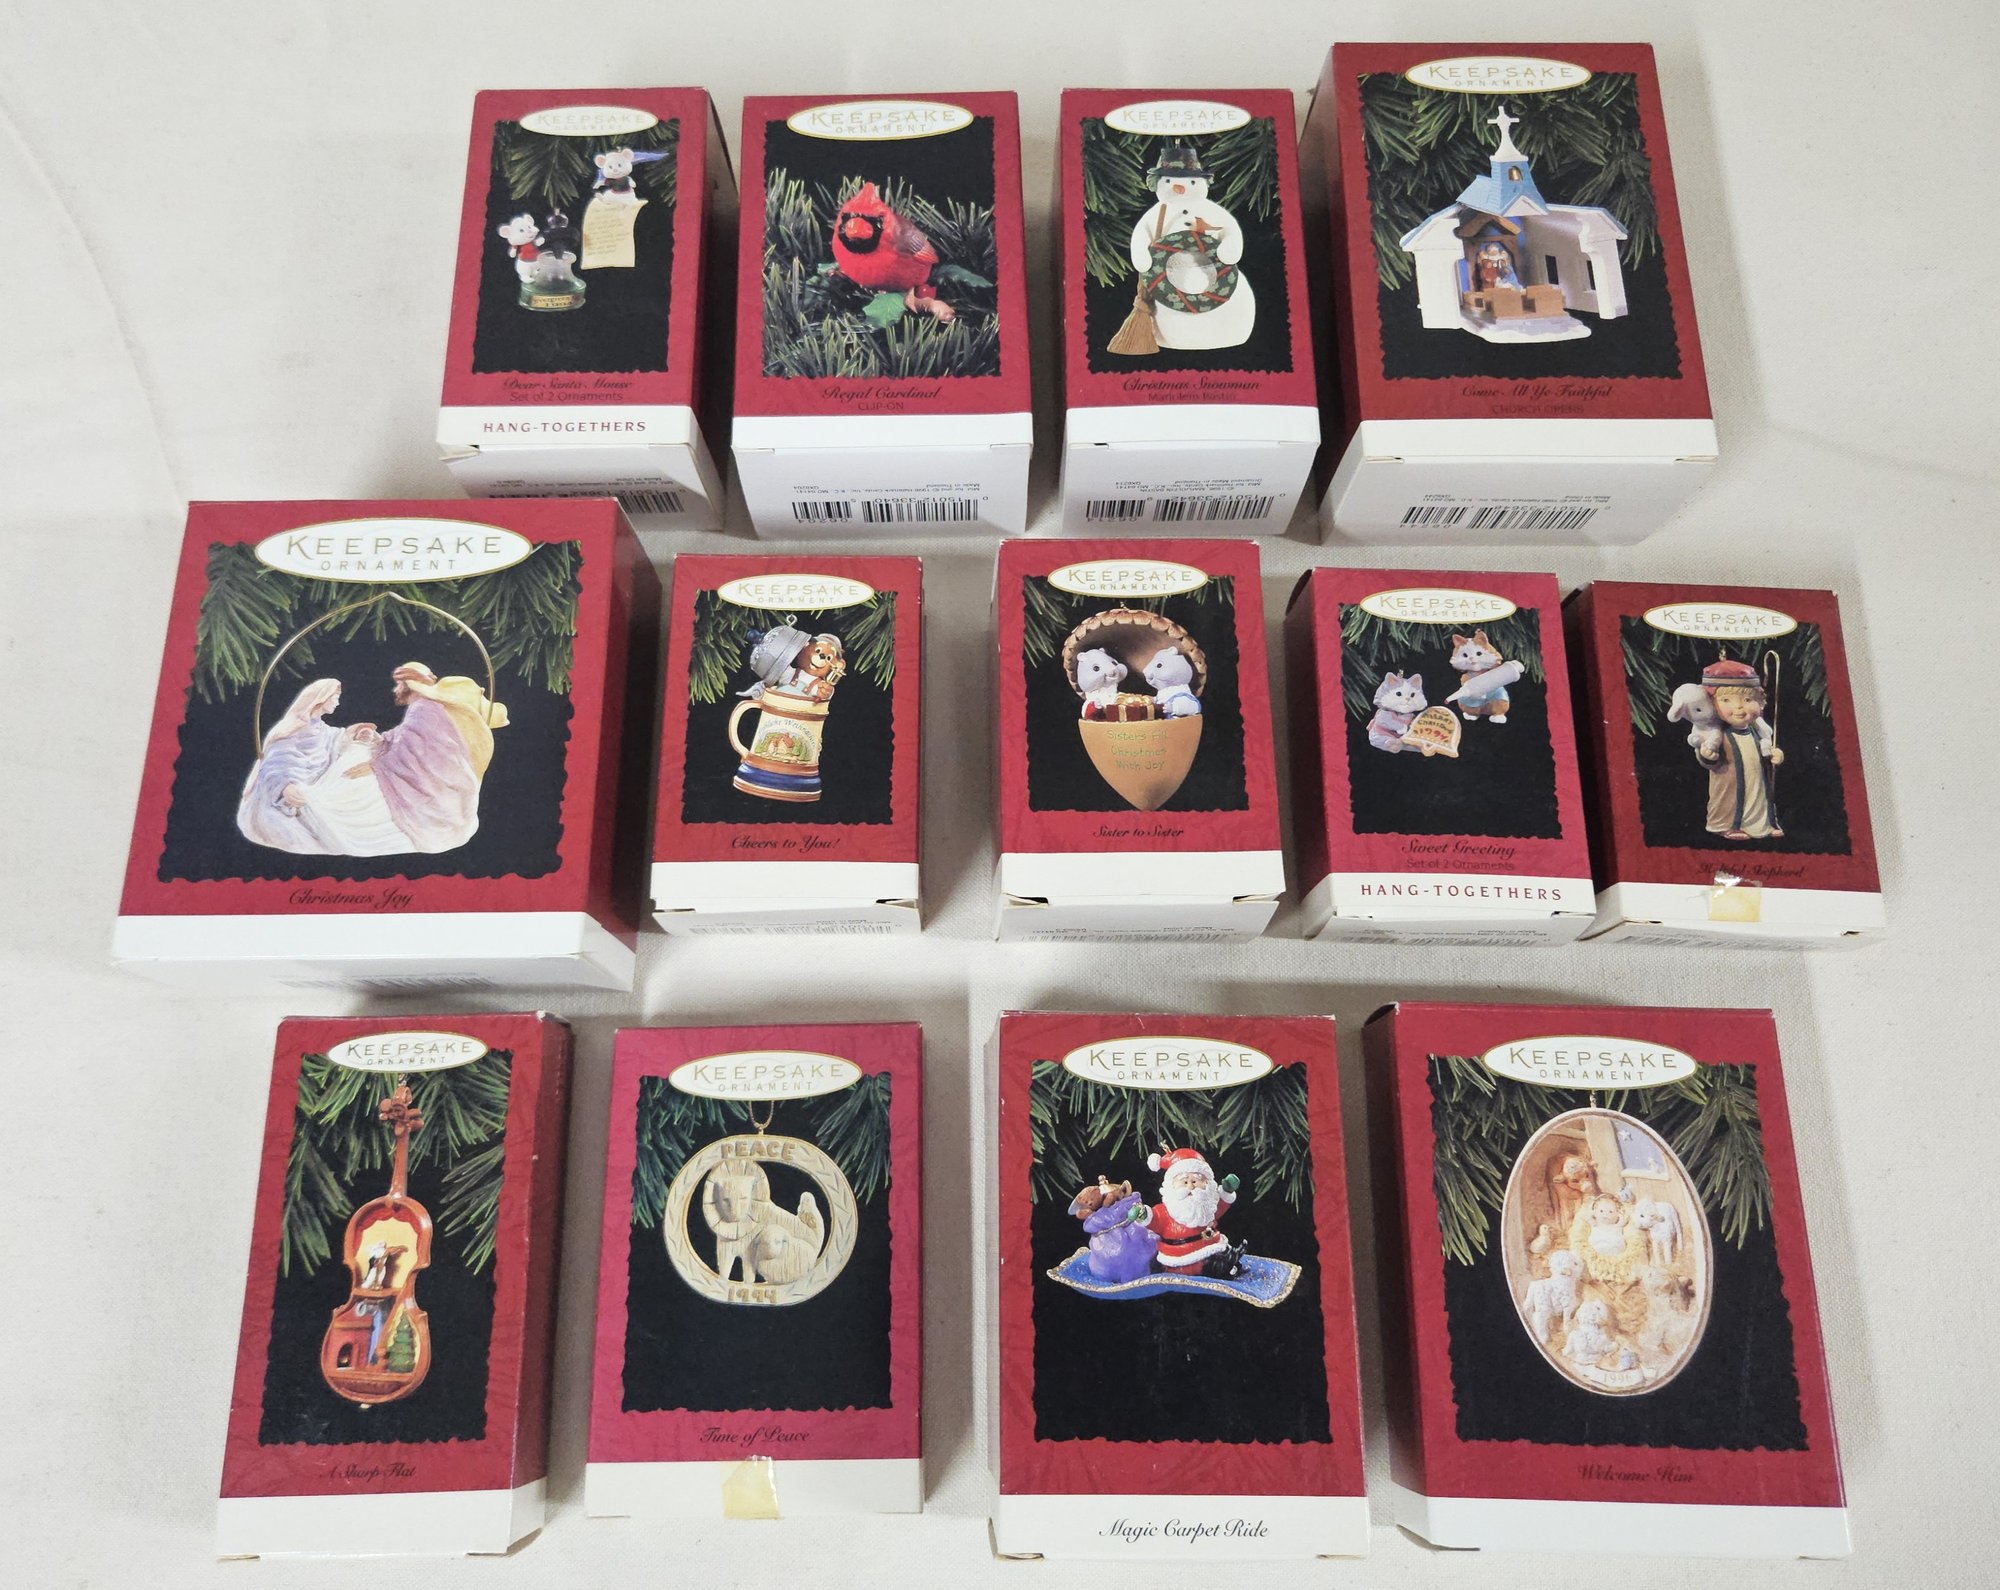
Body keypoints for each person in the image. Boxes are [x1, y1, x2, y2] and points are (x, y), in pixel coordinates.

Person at [1693, 658, 1783, 841]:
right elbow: (1710, 760)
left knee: (1758, 797)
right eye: (1726, 700)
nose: (1739, 707)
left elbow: (1765, 751)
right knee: (1730, 800)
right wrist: (1707, 755)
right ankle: (1727, 826)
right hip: (1728, 785)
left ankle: (1762, 824)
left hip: (1757, 782)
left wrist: (1775, 755)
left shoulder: (1758, 730)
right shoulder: (1717, 734)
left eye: (1748, 699)